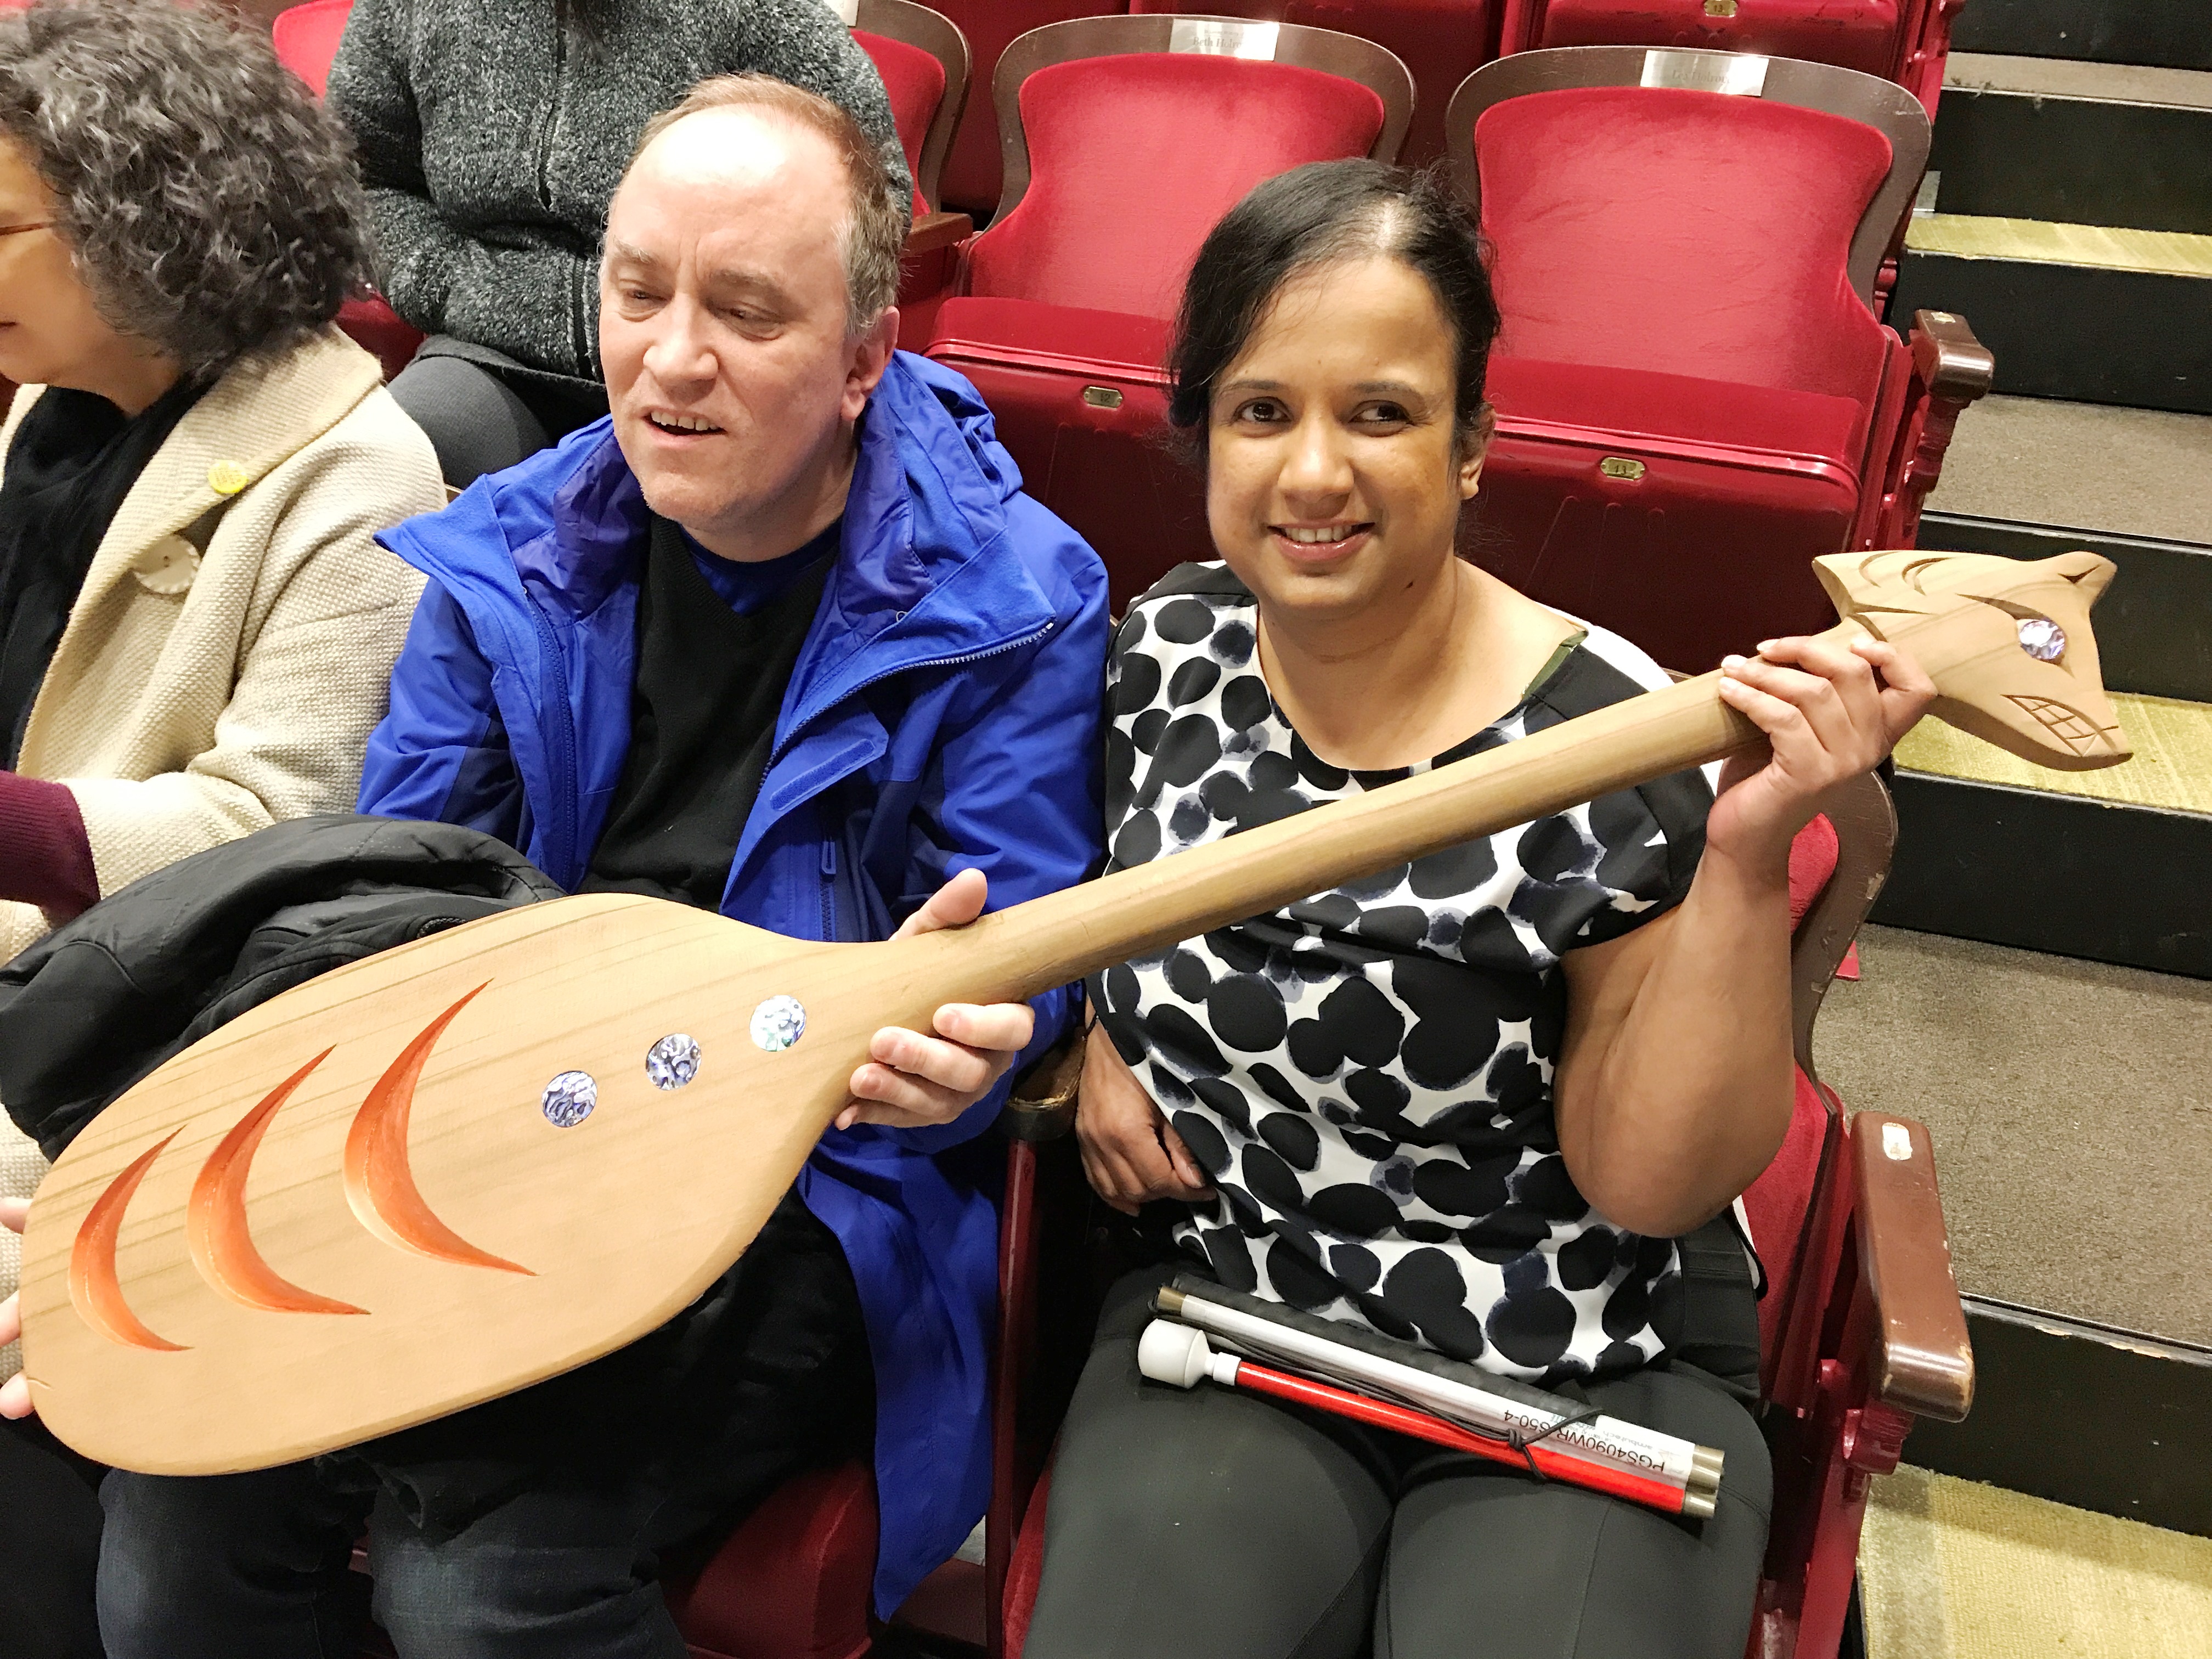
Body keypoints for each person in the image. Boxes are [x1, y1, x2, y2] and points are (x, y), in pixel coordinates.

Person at [51, 74, 1105, 1659]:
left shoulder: (1013, 596)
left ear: (866, 355)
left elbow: (1013, 958)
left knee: (480, 1588)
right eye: (638, 293)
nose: (673, 359)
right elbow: (386, 927)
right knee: (175, 1532)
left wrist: (975, 1043)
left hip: (809, 1186)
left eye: (747, 312)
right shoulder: (505, 553)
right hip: (502, 1126)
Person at [1022, 161, 1936, 1659]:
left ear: (1470, 447)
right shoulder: (1166, 647)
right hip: (1246, 1309)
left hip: (1578, 1355)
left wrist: (1745, 860)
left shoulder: (1610, 736)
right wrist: (1104, 1032)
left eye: (1380, 412)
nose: (1314, 473)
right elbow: (1112, 899)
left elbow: (1648, 1179)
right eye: (1263, 411)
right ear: (1201, 436)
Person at [0, 3, 442, 1655]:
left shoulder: (363, 471)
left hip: (133, 1060)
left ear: (137, 233)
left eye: (1, 227)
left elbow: (286, 833)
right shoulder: (32, 404)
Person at [327, 0, 909, 489]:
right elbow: (361, 177)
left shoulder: (759, 12)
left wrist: (731, 301)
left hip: (714, 348)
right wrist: (459, 287)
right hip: (492, 357)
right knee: (392, 468)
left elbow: (876, 188)